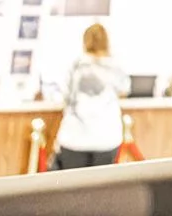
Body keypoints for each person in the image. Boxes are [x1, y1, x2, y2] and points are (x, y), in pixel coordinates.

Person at [53, 23, 129, 170]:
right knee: (102, 183)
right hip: (107, 137)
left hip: (74, 137)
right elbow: (124, 91)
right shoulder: (115, 66)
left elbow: (66, 96)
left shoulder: (76, 65)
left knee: (72, 183)